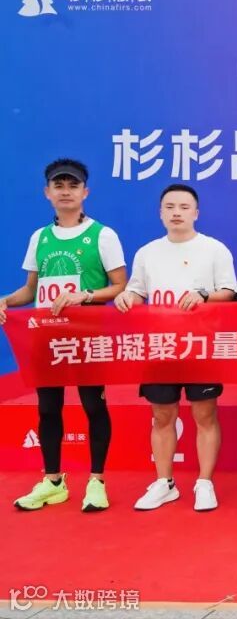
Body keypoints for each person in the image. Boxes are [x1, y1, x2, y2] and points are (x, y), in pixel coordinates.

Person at [4, 159, 127, 512]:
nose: (66, 192)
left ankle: (97, 481)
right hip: (46, 337)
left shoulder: (103, 235)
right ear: (47, 193)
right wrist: (5, 301)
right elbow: (31, 290)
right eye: (59, 186)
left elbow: (120, 286)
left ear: (85, 192)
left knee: (93, 406)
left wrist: (84, 296)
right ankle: (53, 481)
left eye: (73, 186)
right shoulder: (39, 237)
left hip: (87, 337)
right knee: (48, 408)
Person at [115, 184, 236, 512]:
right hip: (161, 346)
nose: (177, 212)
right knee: (161, 415)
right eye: (170, 207)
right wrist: (127, 297)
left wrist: (204, 295)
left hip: (200, 345)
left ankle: (204, 482)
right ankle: (164, 482)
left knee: (205, 414)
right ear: (160, 213)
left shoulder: (214, 249)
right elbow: (137, 291)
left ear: (196, 213)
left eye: (184, 207)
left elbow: (229, 292)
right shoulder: (147, 252)